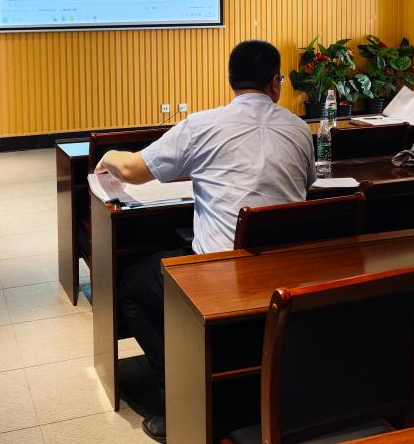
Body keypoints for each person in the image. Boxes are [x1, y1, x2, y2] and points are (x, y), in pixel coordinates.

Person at [95, 40, 316, 442]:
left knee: (130, 285)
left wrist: (108, 154)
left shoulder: (202, 125)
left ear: (231, 81)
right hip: (288, 273)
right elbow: (307, 184)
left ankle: (179, 402)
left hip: (222, 280)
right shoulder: (300, 129)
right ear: (276, 83)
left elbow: (132, 171)